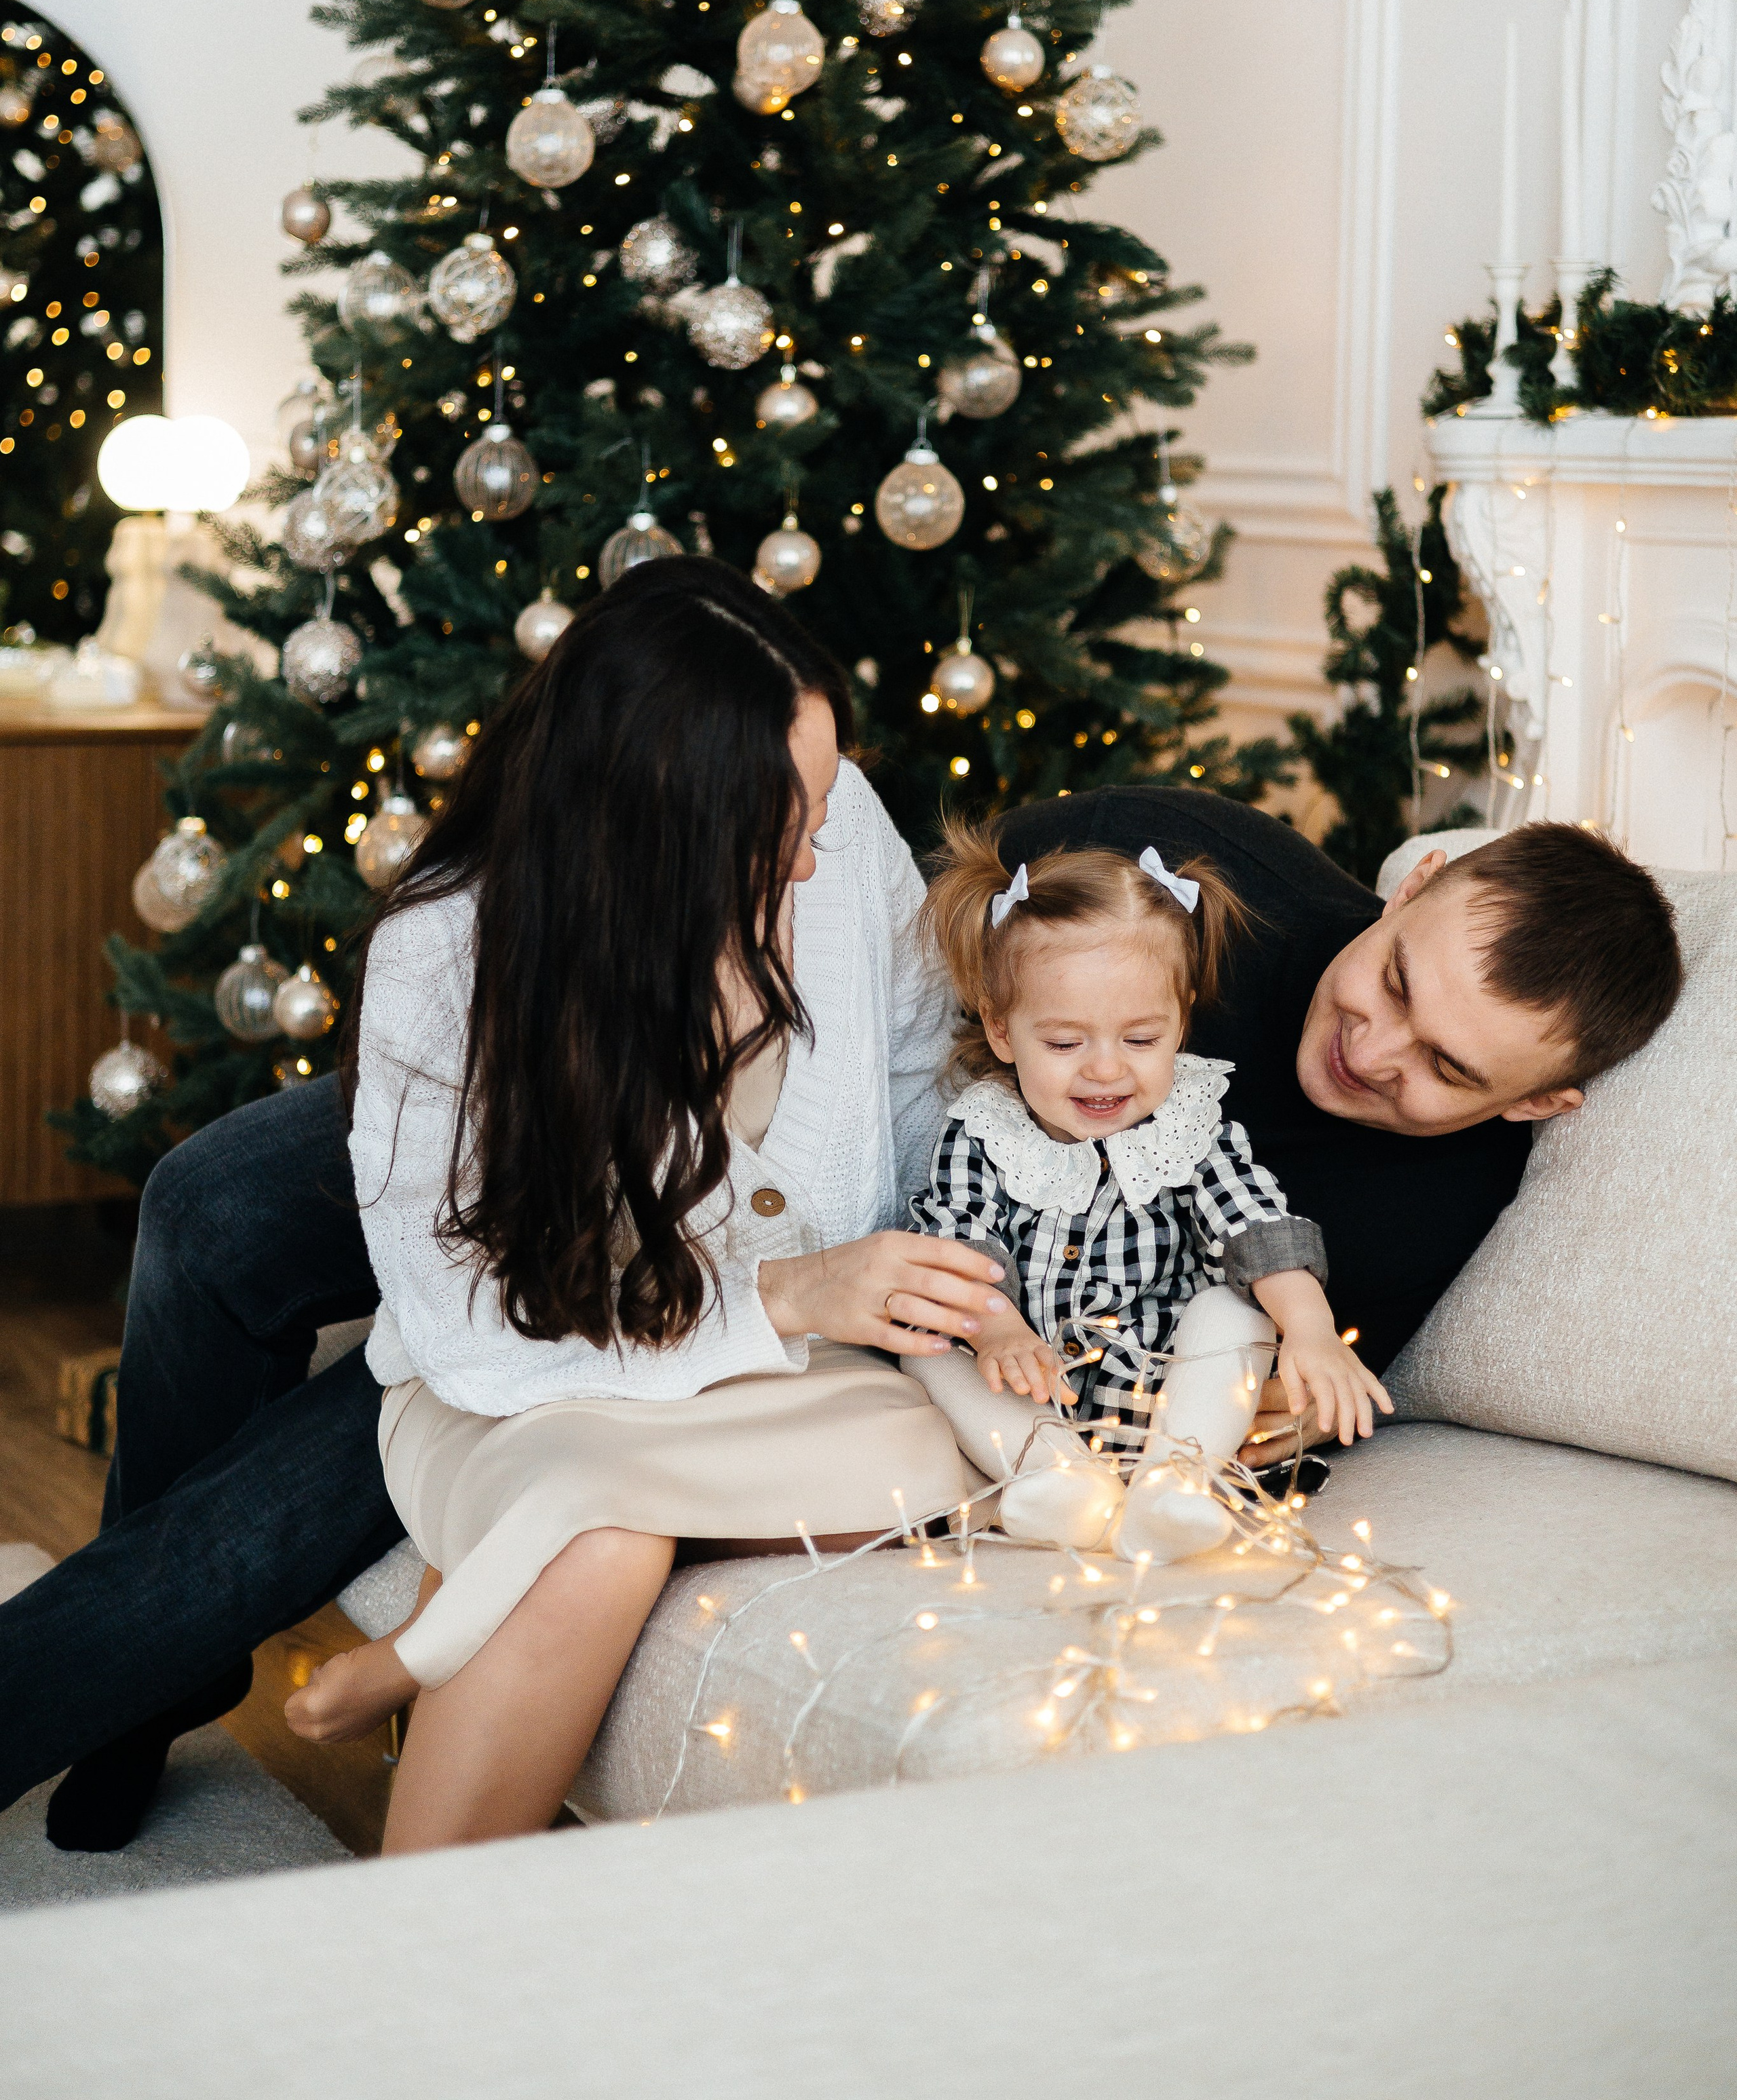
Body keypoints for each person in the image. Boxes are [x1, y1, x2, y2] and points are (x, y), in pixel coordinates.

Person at [0, 721, 1681, 1842]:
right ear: (1413, 881)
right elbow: (883, 940)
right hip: (701, 1113)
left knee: (407, 1399)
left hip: (848, 1282)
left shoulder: (1422, 1200)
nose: (1372, 1047)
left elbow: (1244, 1370)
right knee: (215, 1204)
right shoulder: (1187, 858)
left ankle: (106, 1684)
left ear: (1533, 1104)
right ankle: (166, 1675)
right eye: (1395, 980)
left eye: (1443, 1068)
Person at [271, 558, 1014, 1852]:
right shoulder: (445, 956)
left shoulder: (839, 839)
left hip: (798, 1394)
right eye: (776, 827)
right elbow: (465, 1338)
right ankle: (406, 1949)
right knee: (596, 1539)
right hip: (525, 1398)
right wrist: (784, 1294)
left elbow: (921, 1101)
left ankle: (444, 1625)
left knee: (940, 1456)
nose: (817, 854)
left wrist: (966, 1287)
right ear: (645, 822)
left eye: (825, 798)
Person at [900, 823, 1391, 1556]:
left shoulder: (1192, 1127)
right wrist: (995, 1329)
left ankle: (1176, 1483)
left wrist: (1313, 1331)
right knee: (927, 1343)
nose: (1106, 1070)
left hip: (1164, 1391)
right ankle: (1054, 1479)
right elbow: (957, 1241)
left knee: (1236, 1306)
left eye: (1140, 1040)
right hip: (1031, 1385)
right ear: (1002, 1031)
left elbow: (1255, 1224)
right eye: (1064, 1043)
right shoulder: (982, 1132)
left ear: (1180, 1021)